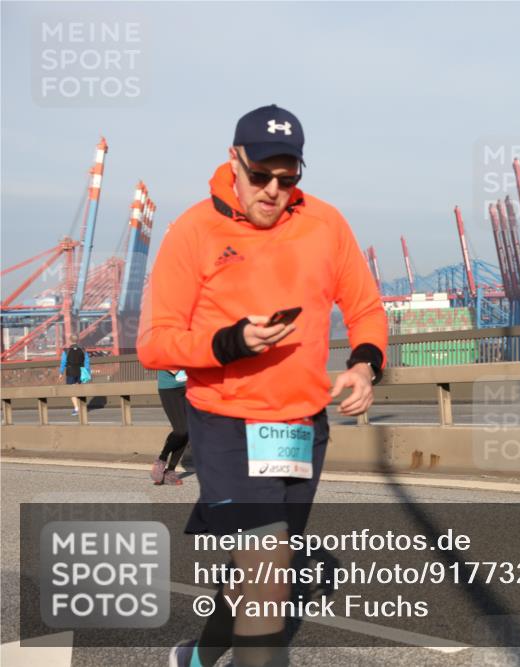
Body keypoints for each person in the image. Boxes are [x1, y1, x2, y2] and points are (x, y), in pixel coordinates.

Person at [137, 104, 388, 667]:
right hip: (226, 426)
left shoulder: (326, 224)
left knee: (263, 570)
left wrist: (364, 365)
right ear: (235, 161)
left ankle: (196, 658)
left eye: (287, 177)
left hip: (301, 427)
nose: (273, 191)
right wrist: (231, 342)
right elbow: (153, 343)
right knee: (269, 574)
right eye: (260, 176)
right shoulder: (193, 231)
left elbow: (366, 309)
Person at [151, 369, 189, 486]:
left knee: (188, 431)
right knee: (181, 430)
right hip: (169, 388)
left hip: (189, 386)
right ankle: (162, 459)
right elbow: (172, 367)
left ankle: (170, 472)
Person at [59, 334, 90, 415]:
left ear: (70, 341)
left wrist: (61, 372)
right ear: (78, 340)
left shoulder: (66, 351)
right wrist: (87, 372)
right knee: (80, 389)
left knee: (71, 390)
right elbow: (87, 362)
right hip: (81, 371)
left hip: (70, 371)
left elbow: (63, 362)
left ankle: (76, 408)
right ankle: (82, 407)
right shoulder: (83, 350)